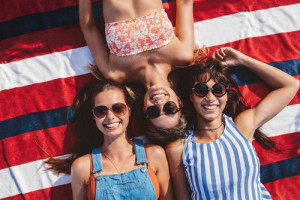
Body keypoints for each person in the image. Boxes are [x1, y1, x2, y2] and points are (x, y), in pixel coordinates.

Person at [165, 47, 300, 199]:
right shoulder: (179, 148)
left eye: (218, 89)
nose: (210, 97)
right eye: (201, 90)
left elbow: (290, 85)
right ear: (191, 95)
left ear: (226, 95)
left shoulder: (241, 127)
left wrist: (243, 60)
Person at [45, 80, 174, 200]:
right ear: (94, 117)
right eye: (101, 111)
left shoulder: (154, 155)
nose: (110, 117)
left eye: (118, 108)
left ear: (129, 110)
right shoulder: (82, 168)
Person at [79, 0, 194, 129]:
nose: (160, 104)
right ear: (179, 101)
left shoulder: (116, 72)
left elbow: (88, 28)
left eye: (154, 112)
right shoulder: (183, 55)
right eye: (170, 108)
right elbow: (185, 3)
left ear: (145, 110)